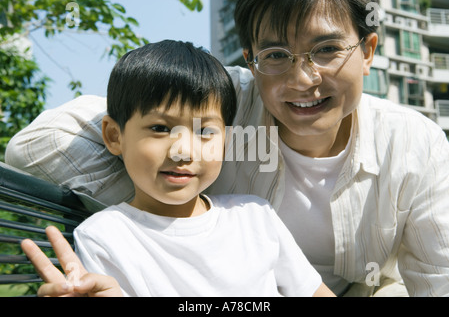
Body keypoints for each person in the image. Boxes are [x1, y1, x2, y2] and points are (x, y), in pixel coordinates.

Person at [8, 0, 449, 296]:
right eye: (275, 55)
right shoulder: (216, 103)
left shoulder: (415, 145)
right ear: (250, 60)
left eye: (327, 49)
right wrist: (164, 212)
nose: (302, 80)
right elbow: (39, 144)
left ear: (368, 49)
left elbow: (438, 278)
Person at [21, 40, 334, 297]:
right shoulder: (105, 237)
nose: (183, 151)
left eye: (204, 131)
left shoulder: (255, 217)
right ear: (115, 137)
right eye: (159, 128)